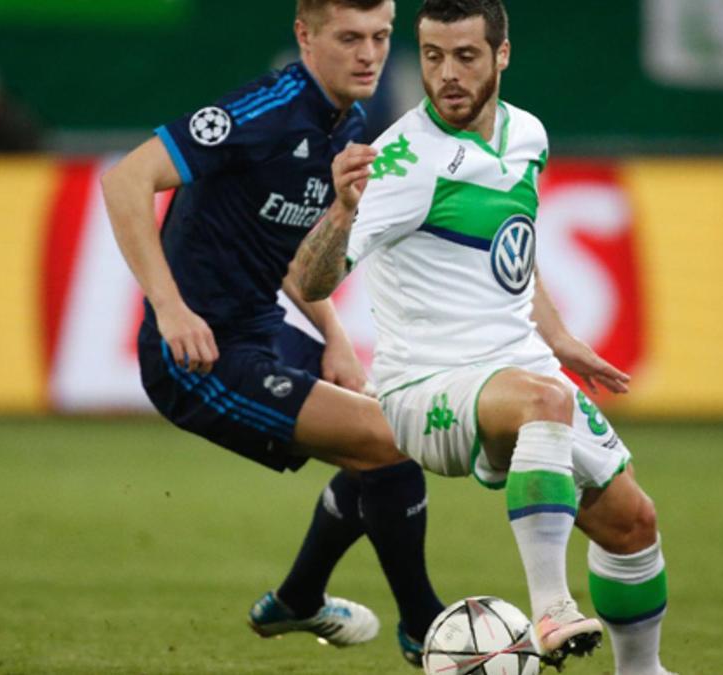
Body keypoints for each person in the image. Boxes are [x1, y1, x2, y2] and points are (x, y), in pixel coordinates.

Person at [288, 1, 675, 672]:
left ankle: (641, 670)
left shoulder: (526, 134)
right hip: (425, 386)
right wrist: (344, 213)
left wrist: (557, 336)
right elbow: (306, 277)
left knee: (632, 521)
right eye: (432, 56)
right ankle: (551, 606)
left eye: (465, 56)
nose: (447, 75)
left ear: (502, 55)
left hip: (517, 364)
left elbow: (511, 251)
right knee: (543, 404)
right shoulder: (402, 160)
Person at [100, 0, 444, 665]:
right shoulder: (260, 114)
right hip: (196, 357)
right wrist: (169, 307)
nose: (369, 54)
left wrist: (335, 334)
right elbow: (125, 179)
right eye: (349, 38)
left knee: (386, 435)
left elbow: (283, 246)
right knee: (388, 439)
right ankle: (426, 627)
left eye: (380, 36)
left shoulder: (352, 121)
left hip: (261, 330)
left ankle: (298, 598)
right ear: (305, 35)